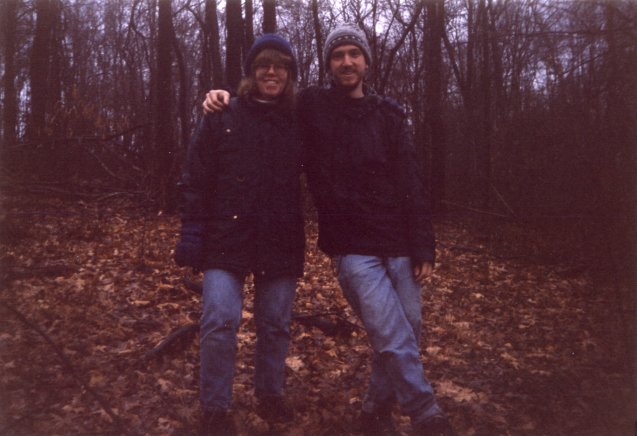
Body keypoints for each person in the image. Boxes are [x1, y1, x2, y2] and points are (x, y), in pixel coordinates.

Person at [204, 24, 454, 436]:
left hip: (400, 244)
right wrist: (223, 97)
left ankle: (375, 409)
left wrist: (423, 246)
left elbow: (412, 183)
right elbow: (264, 96)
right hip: (353, 245)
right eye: (338, 55)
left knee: (406, 329)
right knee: (391, 334)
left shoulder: (389, 115)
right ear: (328, 64)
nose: (347, 62)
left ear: (367, 62)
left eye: (354, 54)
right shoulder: (312, 106)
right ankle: (426, 413)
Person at [175, 34, 304, 435]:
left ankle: (270, 395)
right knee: (219, 320)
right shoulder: (222, 113)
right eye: (264, 64)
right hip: (225, 238)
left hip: (280, 237)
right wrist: (192, 235)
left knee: (276, 324)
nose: (272, 71)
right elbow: (195, 179)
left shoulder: (301, 119)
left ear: (289, 74)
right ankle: (215, 408)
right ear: (251, 71)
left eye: (280, 65)